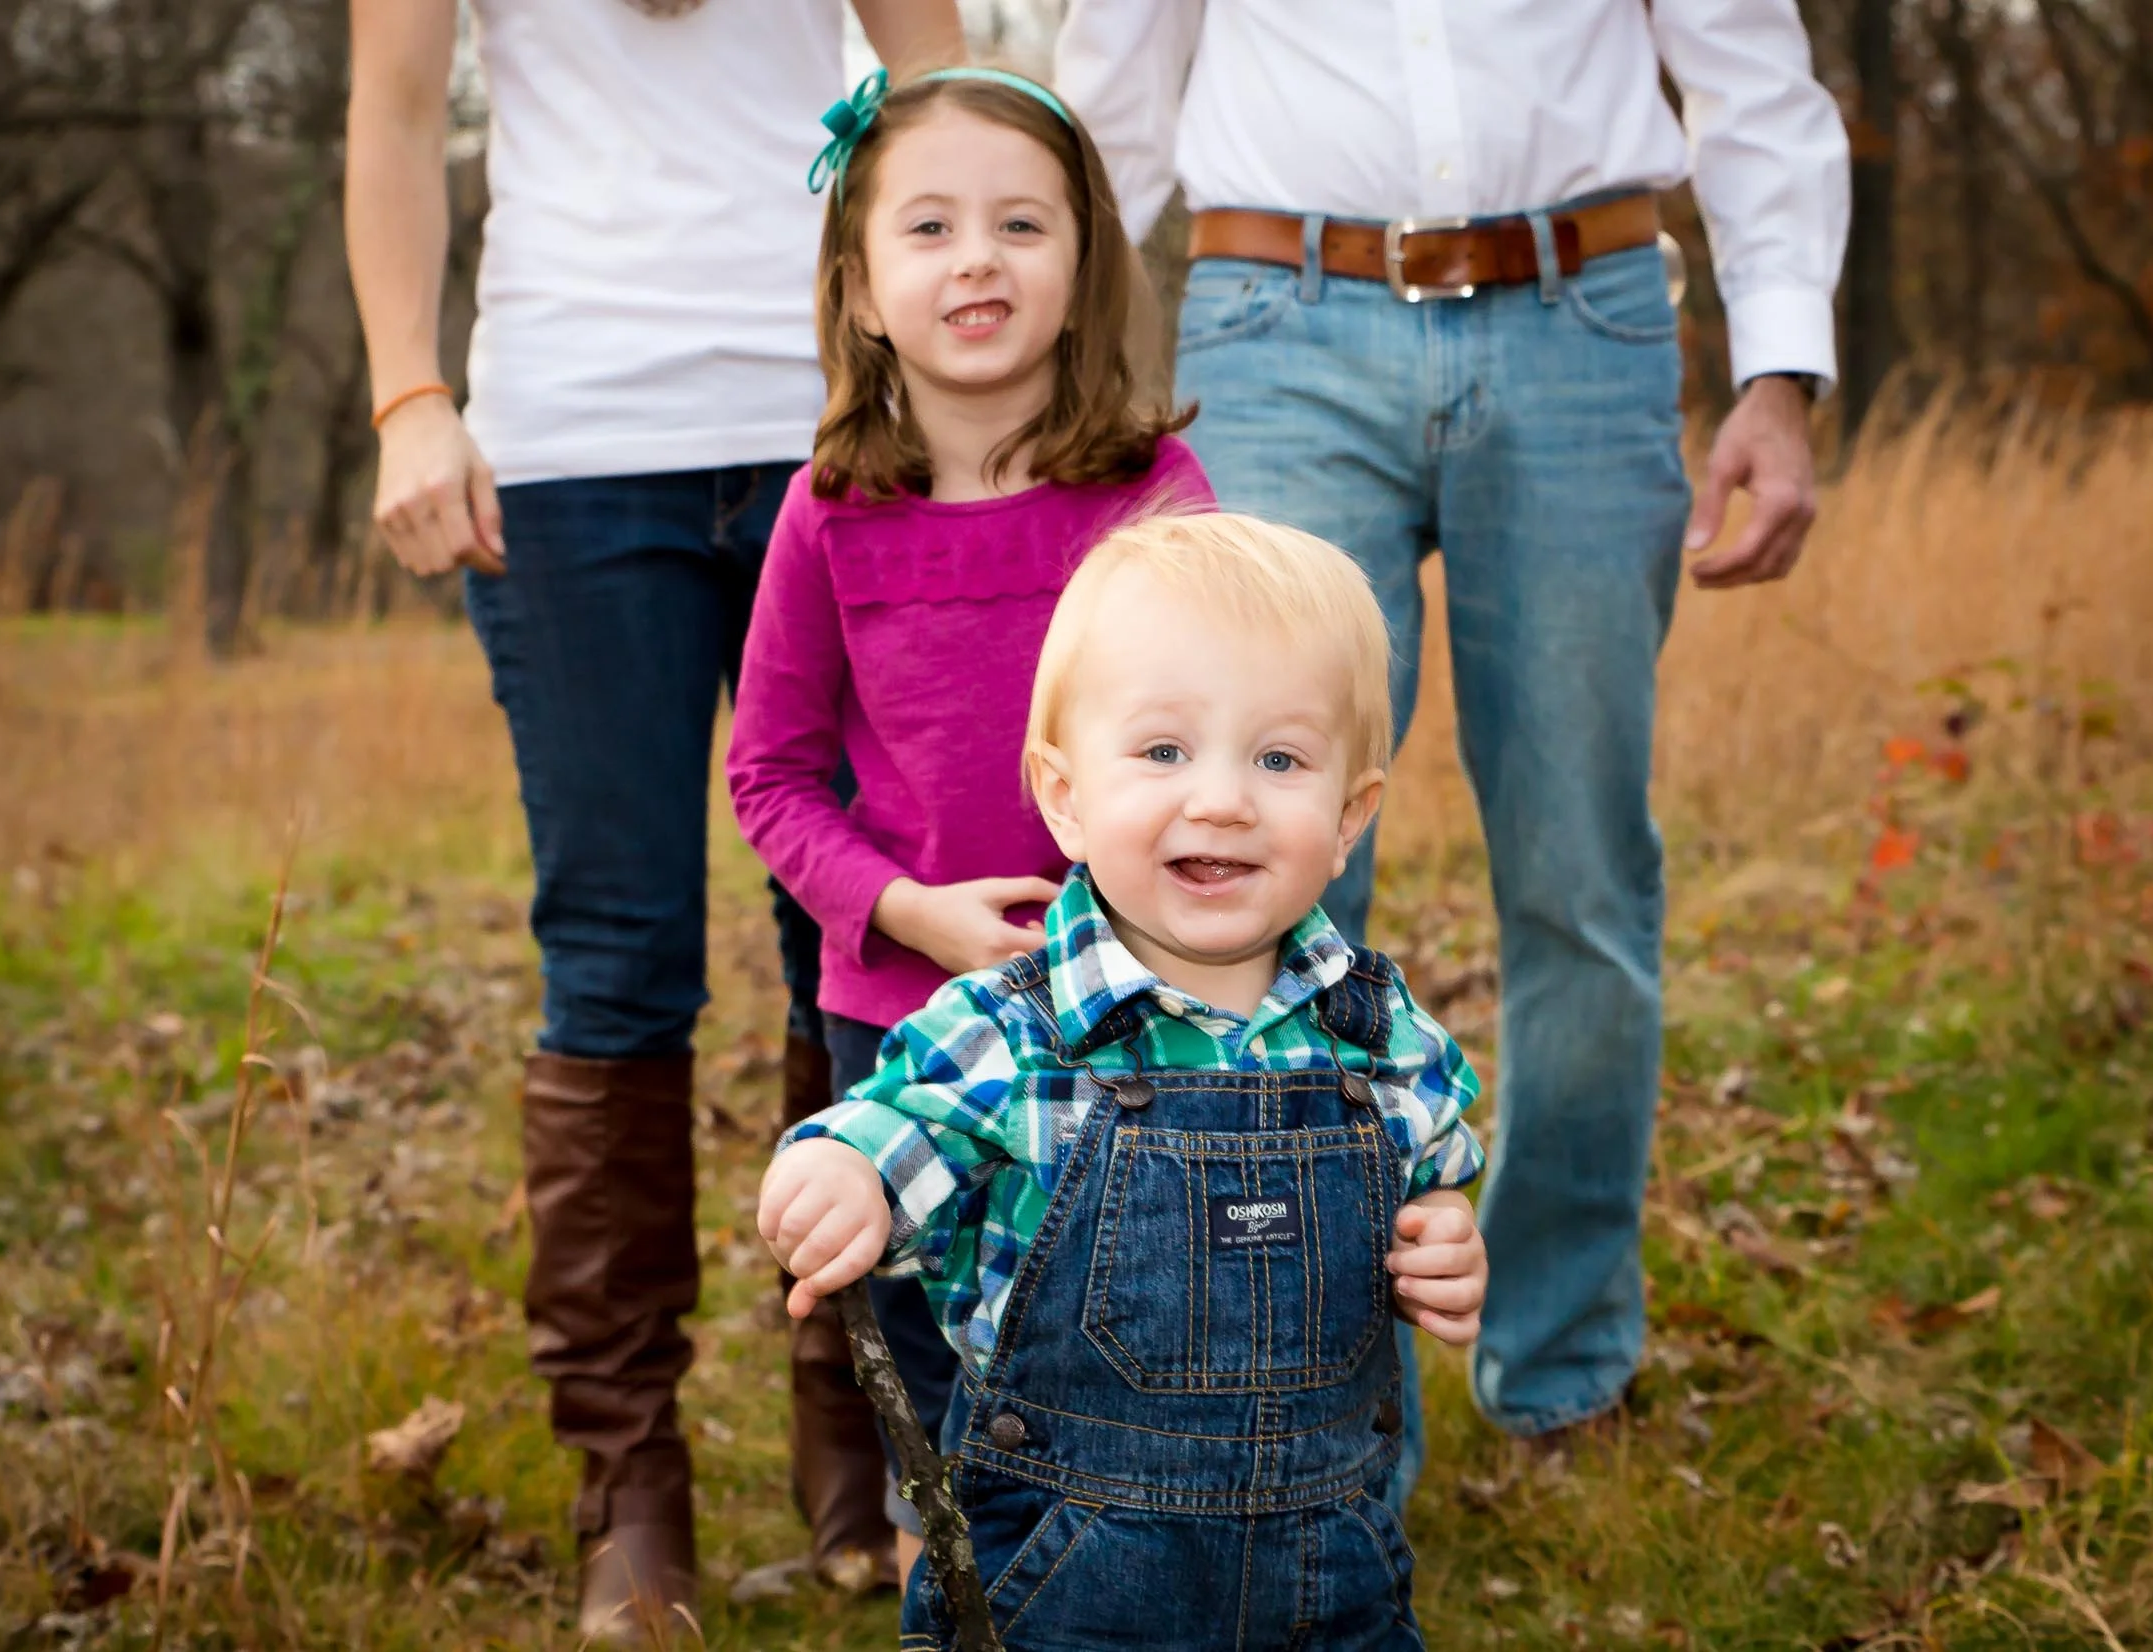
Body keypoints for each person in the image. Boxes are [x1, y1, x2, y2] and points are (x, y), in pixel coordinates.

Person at [1056, 0, 1851, 1469]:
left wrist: (1779, 372)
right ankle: (1309, 1396)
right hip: (1277, 318)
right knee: (1248, 891)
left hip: (1587, 315)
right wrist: (1047, 373)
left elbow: (1748, 65)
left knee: (1581, 876)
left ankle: (1562, 1369)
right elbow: (1107, 91)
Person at [344, 0, 964, 1637]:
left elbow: (945, 88)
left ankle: (870, 1426)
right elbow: (396, 114)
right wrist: (410, 391)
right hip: (569, 450)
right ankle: (629, 1481)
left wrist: (967, 367)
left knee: (857, 930)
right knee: (616, 953)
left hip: (840, 431)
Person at [758, 513, 1491, 1650]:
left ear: (1350, 816)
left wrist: (1442, 1235)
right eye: (1162, 752)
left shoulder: (1377, 1031)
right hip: (1070, 1583)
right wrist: (841, 1171)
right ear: (1062, 795)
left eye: (1280, 759)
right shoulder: (1014, 1032)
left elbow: (1434, 1172)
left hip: (1327, 1577)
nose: (1222, 799)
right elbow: (890, 1125)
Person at [725, 65, 1210, 1587]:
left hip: (1130, 1015)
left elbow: (1206, 744)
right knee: (944, 1356)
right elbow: (772, 777)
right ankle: (978, 1593)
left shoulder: (1155, 498)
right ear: (863, 289)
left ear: (1084, 267)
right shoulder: (826, 513)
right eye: (928, 228)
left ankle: (1162, 1577)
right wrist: (905, 910)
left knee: (1122, 1327)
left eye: (1021, 223)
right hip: (906, 1019)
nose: (979, 259)